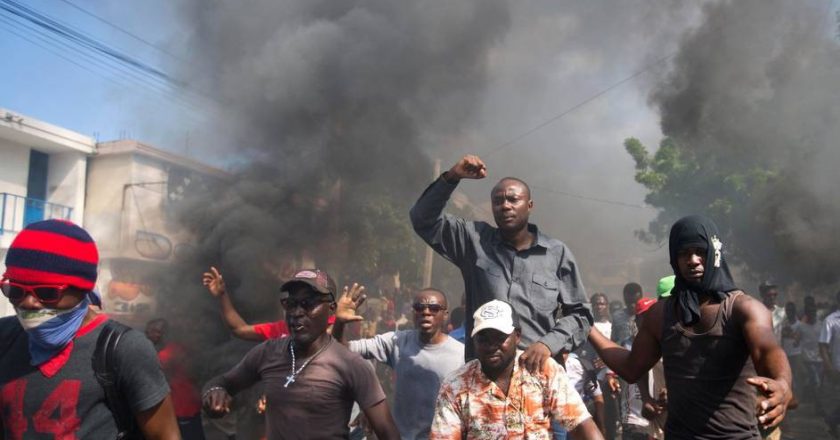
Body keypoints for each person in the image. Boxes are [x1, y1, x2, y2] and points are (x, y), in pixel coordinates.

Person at [587, 215, 792, 439]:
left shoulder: (743, 309)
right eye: (683, 253)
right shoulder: (661, 314)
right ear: (674, 260)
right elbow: (631, 367)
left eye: (700, 251)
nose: (692, 260)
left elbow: (769, 351)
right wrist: (587, 327)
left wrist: (782, 384)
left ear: (715, 253)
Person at [0, 219, 179, 439]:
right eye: (14, 290)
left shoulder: (124, 348)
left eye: (46, 293)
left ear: (82, 289)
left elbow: (165, 436)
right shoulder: (5, 336)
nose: (28, 303)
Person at [410, 154, 590, 369]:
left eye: (513, 199)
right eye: (498, 201)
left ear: (529, 205)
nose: (505, 206)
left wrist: (548, 344)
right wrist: (452, 177)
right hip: (484, 378)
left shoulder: (556, 253)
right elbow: (422, 219)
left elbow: (581, 315)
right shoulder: (473, 241)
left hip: (538, 376)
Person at [202, 268, 399, 440]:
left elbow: (388, 433)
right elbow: (222, 382)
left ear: (331, 308)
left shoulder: (352, 365)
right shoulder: (267, 352)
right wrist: (214, 393)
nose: (297, 312)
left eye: (308, 303)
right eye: (291, 303)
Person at [430, 300, 603, 440]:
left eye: (499, 338)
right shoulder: (456, 384)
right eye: (484, 339)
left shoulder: (544, 370)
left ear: (517, 336)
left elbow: (581, 425)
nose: (492, 346)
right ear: (474, 341)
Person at [333, 284, 465, 439]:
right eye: (419, 307)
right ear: (413, 313)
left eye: (434, 308)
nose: (426, 312)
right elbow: (342, 349)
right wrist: (339, 322)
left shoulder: (461, 354)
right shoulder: (397, 341)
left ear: (445, 315)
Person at [146, 318, 205, 439]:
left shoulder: (166, 355)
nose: (151, 334)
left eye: (156, 331)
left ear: (165, 334)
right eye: (149, 331)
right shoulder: (174, 348)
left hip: (182, 409)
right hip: (188, 408)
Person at [819, 291, 840, 436]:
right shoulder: (830, 320)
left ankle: (832, 419)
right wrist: (829, 367)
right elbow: (823, 346)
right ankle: (832, 419)